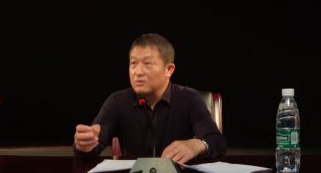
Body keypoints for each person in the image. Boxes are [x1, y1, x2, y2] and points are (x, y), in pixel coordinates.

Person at [73, 33, 227, 164]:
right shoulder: (117, 101)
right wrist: (85, 145)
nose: (138, 72)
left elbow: (217, 142)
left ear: (169, 70)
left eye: (147, 64)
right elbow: (93, 144)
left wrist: (198, 145)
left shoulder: (189, 98)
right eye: (133, 63)